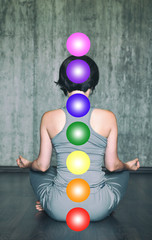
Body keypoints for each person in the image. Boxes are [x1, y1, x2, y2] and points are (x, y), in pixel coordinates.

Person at [16, 55, 140, 221]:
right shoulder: (108, 117)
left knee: (37, 170)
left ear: (63, 82)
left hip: (59, 208)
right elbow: (112, 166)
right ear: (92, 83)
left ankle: (47, 203)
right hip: (98, 208)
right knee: (122, 171)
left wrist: (28, 164)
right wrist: (127, 166)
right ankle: (107, 207)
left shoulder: (49, 117)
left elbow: (42, 166)